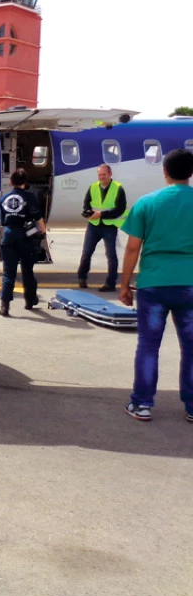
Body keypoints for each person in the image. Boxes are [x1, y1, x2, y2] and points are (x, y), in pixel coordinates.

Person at [119, 148, 193, 422]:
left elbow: (132, 248)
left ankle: (142, 404)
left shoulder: (147, 202)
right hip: (190, 284)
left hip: (154, 285)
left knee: (149, 346)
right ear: (191, 173)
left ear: (165, 172)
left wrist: (125, 285)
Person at [0, 168, 47, 317]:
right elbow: (37, 216)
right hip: (25, 237)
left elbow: (1, 219)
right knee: (27, 271)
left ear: (11, 182)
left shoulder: (4, 198)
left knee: (8, 273)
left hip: (8, 236)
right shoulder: (30, 196)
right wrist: (43, 231)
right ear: (24, 182)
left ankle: (4, 306)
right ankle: (30, 300)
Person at [77, 164, 127, 292]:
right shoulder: (93, 187)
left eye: (104, 174)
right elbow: (86, 204)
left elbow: (119, 209)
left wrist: (101, 214)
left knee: (111, 255)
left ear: (110, 174)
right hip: (94, 225)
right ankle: (82, 278)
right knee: (86, 253)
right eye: (99, 175)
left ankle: (110, 283)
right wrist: (87, 213)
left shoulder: (118, 188)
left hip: (109, 226)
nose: (101, 177)